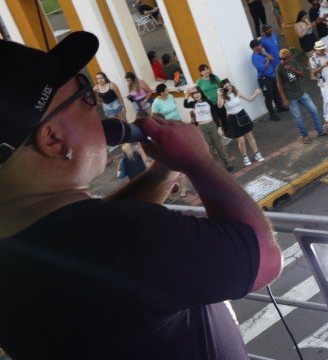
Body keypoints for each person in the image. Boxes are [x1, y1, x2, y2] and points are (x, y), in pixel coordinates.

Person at [0, 32, 281, 358]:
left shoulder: (32, 241)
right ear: (53, 139)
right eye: (86, 98)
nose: (101, 113)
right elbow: (264, 257)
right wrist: (197, 161)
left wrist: (163, 172)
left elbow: (90, 238)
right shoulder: (133, 236)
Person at [276, 48, 328, 144]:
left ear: (289, 57)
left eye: (284, 58)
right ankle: (305, 136)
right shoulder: (278, 68)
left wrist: (292, 70)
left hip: (301, 92)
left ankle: (320, 131)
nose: (282, 61)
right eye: (280, 58)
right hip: (291, 96)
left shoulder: (293, 62)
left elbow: (302, 75)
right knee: (298, 117)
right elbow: (279, 85)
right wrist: (284, 99)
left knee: (313, 110)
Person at [183, 87, 234, 172]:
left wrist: (219, 127)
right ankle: (217, 168)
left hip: (212, 126)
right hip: (202, 128)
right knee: (210, 150)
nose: (196, 94)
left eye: (198, 92)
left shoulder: (208, 102)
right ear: (193, 95)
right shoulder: (193, 104)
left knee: (219, 147)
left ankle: (228, 164)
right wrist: (186, 95)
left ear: (201, 93)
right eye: (194, 93)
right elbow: (185, 105)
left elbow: (215, 115)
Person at [216, 79, 263, 166]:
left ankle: (257, 153)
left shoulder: (236, 92)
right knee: (241, 140)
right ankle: (245, 157)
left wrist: (256, 93)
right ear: (223, 89)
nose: (229, 88)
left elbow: (249, 99)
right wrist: (219, 95)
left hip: (242, 115)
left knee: (250, 136)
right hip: (233, 118)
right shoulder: (223, 97)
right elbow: (219, 106)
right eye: (226, 87)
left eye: (229, 85)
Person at [249, 39, 281, 121]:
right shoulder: (255, 58)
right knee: (268, 97)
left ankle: (280, 107)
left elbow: (272, 58)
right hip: (264, 78)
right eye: (259, 45)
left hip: (271, 76)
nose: (261, 46)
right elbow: (262, 68)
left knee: (275, 92)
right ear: (255, 47)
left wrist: (265, 53)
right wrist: (267, 61)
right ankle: (272, 115)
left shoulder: (262, 53)